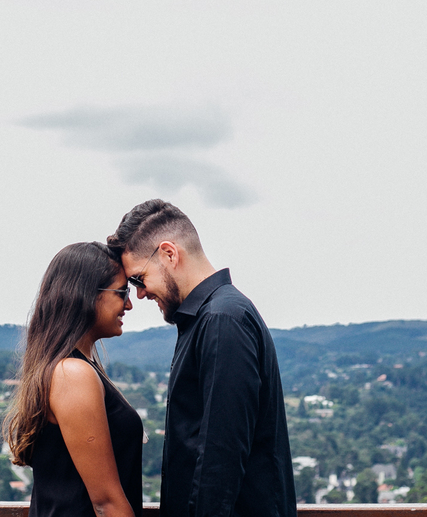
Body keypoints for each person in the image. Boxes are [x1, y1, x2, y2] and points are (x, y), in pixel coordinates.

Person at [107, 200, 296, 517]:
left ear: (169, 254)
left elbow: (220, 458)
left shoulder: (222, 320)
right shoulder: (209, 319)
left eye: (139, 279)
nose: (139, 294)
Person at [3, 242, 144, 517]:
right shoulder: (73, 374)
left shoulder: (69, 368)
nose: (128, 304)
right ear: (86, 295)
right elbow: (106, 503)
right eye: (122, 292)